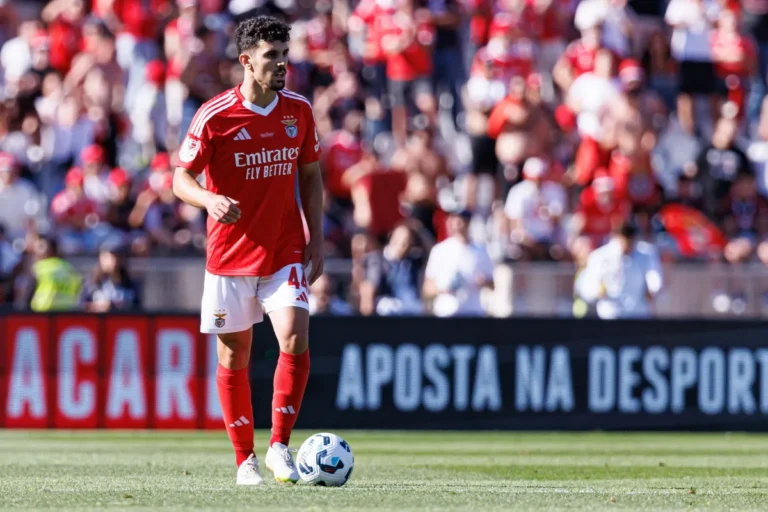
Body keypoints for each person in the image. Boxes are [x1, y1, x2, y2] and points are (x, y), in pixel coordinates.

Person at [172, 16, 324, 486]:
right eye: (271, 56)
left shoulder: (298, 110)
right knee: (234, 357)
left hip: (284, 250)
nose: (282, 64)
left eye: (284, 55)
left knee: (295, 340)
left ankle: (279, 445)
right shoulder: (215, 115)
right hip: (230, 255)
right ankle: (245, 459)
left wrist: (315, 237)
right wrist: (209, 199)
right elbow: (180, 178)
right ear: (246, 61)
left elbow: (311, 175)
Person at [575, 222, 663, 319]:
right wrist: (597, 290)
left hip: (638, 313)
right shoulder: (600, 256)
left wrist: (653, 289)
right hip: (610, 314)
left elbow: (654, 276)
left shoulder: (646, 254)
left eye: (630, 242)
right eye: (623, 241)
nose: (626, 246)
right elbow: (587, 285)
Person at [422, 210, 494, 317]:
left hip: (472, 313)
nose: (455, 225)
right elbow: (427, 288)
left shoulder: (481, 251)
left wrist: (482, 281)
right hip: (446, 312)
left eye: (459, 221)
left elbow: (492, 284)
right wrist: (444, 286)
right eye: (451, 220)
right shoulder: (439, 250)